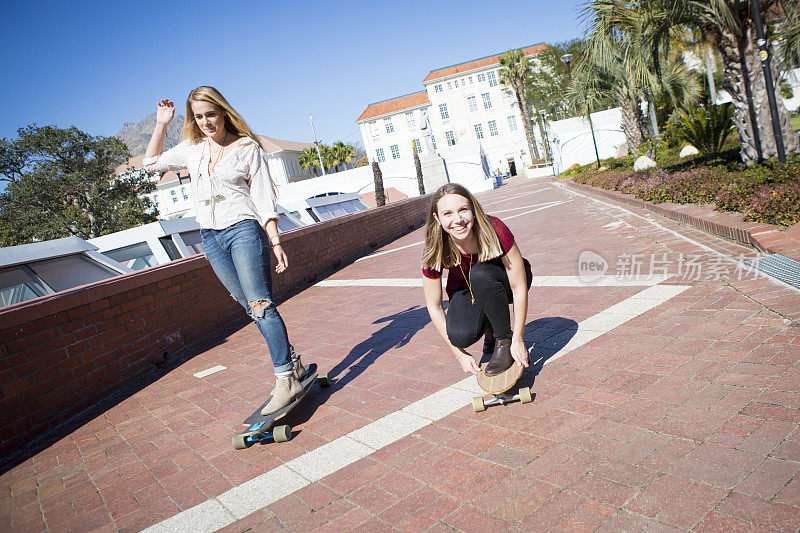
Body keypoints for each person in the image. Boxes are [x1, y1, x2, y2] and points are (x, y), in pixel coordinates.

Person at [143, 86, 303, 414]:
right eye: (198, 116)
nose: (205, 122)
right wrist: (161, 124)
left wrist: (275, 242)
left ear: (223, 112)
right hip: (211, 239)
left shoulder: (246, 148)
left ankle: (285, 379)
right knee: (248, 306)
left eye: (210, 114)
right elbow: (150, 163)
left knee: (261, 304)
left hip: (244, 230)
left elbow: (263, 199)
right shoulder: (192, 149)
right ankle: (294, 363)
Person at [422, 183, 532, 375]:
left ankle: (503, 341)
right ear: (437, 218)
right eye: (447, 214)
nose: (458, 220)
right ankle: (490, 326)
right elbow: (435, 306)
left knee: (480, 274)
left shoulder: (494, 228)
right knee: (459, 335)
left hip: (503, 281)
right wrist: (460, 354)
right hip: (469, 290)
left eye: (463, 210)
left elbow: (519, 286)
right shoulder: (435, 248)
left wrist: (518, 339)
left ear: (473, 209)